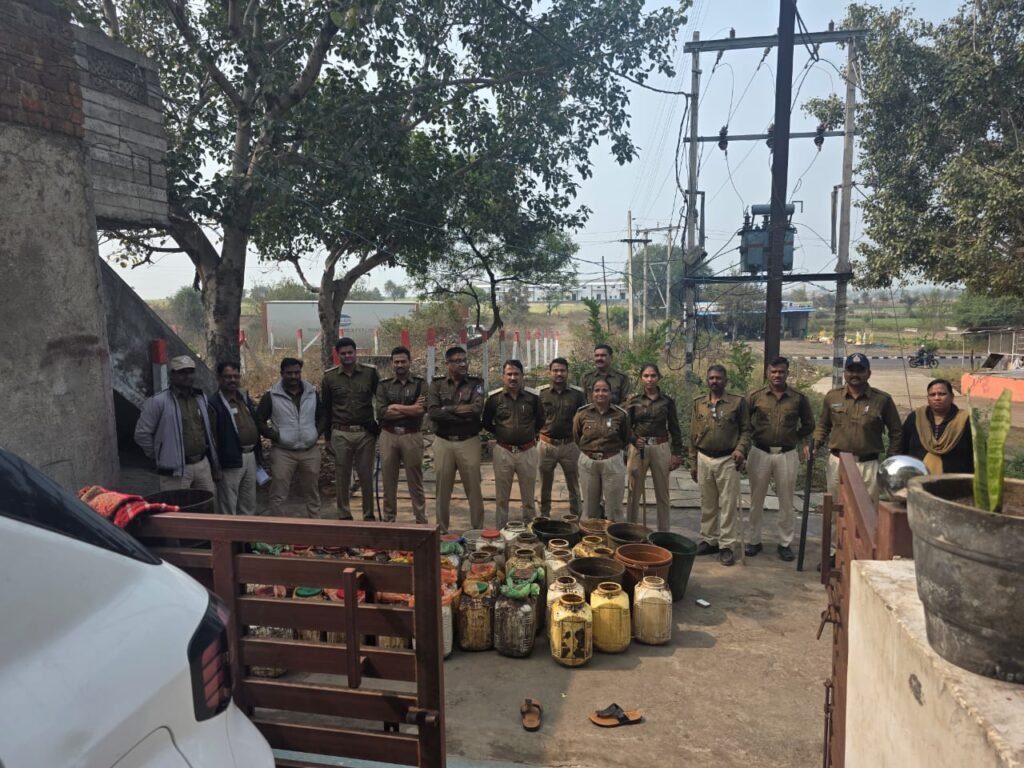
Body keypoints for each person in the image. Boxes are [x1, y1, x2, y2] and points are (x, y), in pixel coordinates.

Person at [813, 353, 902, 561]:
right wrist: (815, 444)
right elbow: (823, 425)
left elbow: (896, 432)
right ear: (845, 373)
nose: (855, 375)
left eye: (860, 370)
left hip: (868, 464)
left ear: (868, 373)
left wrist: (890, 460)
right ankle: (835, 553)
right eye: (851, 370)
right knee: (836, 509)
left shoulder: (882, 400)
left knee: (867, 511)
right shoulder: (832, 397)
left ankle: (863, 556)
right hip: (838, 463)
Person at [745, 356, 816, 562]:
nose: (777, 375)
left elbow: (809, 424)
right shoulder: (756, 396)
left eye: (781, 372)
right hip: (760, 452)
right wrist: (752, 436)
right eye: (774, 371)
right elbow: (743, 421)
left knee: (786, 500)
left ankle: (785, 543)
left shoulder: (798, 398)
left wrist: (795, 438)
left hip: (786, 454)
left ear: (787, 373)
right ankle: (754, 540)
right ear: (768, 372)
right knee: (756, 499)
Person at [689, 364, 751, 567]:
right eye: (711, 378)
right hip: (704, 458)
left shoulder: (737, 402)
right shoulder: (699, 403)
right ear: (707, 380)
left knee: (727, 504)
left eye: (718, 378)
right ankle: (709, 539)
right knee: (707, 502)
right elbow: (693, 434)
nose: (714, 381)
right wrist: (693, 462)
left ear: (725, 380)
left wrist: (741, 449)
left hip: (727, 459)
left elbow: (746, 430)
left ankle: (726, 545)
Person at [134, 355, 220, 495]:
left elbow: (206, 430)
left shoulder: (200, 397)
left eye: (190, 372)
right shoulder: (158, 401)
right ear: (172, 375)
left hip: (202, 464)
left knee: (207, 504)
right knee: (178, 506)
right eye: (182, 372)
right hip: (175, 470)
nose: (187, 376)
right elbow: (141, 434)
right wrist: (159, 454)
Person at [427, 346, 485, 532]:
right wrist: (461, 415)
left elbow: (476, 409)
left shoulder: (476, 383)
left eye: (464, 360)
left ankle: (477, 530)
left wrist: (448, 409)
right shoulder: (437, 384)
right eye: (458, 361)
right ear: (448, 364)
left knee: (474, 489)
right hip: (443, 442)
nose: (463, 364)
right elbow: (433, 412)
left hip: (468, 441)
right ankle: (442, 531)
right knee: (442, 490)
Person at [256, 357, 323, 518]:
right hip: (283, 452)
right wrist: (276, 436)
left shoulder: (312, 393)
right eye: (289, 373)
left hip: (309, 451)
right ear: (282, 373)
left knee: (312, 492)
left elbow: (323, 416)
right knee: (279, 494)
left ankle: (317, 526)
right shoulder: (271, 396)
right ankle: (280, 529)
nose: (293, 376)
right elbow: (259, 420)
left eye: (297, 373)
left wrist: (316, 433)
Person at [321, 337, 379, 521]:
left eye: (350, 352)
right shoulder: (329, 377)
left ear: (356, 352)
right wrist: (327, 437)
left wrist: (378, 426)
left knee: (366, 476)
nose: (347, 356)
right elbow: (326, 408)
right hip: (341, 432)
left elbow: (380, 399)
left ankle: (368, 515)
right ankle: (344, 514)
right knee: (342, 476)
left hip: (365, 433)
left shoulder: (370, 373)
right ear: (338, 355)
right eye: (343, 353)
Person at [483, 359, 545, 528]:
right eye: (509, 374)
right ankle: (501, 529)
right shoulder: (495, 399)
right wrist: (502, 433)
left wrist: (528, 434)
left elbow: (540, 420)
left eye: (516, 374)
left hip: (527, 451)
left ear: (522, 376)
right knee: (502, 497)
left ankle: (530, 529)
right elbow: (487, 422)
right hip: (504, 452)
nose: (513, 378)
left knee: (529, 498)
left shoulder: (532, 398)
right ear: (503, 376)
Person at [624, 363, 683, 531]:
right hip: (639, 448)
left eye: (653, 376)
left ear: (658, 377)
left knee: (662, 492)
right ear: (641, 378)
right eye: (646, 376)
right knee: (633, 491)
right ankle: (630, 530)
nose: (650, 379)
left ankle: (663, 532)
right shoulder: (634, 400)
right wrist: (634, 439)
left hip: (660, 446)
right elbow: (626, 426)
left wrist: (676, 453)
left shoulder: (667, 401)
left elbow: (674, 428)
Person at [375, 346, 427, 523]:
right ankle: (389, 520)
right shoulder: (384, 385)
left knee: (415, 481)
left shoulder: (420, 383)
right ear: (391, 363)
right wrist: (410, 409)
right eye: (396, 362)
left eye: (403, 361)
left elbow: (420, 411)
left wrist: (395, 407)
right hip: (388, 436)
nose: (400, 365)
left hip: (412, 435)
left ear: (409, 362)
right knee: (388, 482)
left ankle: (420, 520)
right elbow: (382, 413)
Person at [573, 378, 631, 521]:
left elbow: (626, 438)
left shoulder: (620, 414)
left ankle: (613, 533)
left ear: (610, 393)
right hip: (588, 462)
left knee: (614, 508)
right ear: (591, 393)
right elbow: (577, 436)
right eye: (597, 390)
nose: (601, 393)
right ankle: (590, 534)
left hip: (612, 462)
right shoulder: (582, 413)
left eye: (605, 390)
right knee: (589, 508)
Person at [210, 361, 263, 516]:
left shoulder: (244, 398)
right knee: (228, 503)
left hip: (250, 456)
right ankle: (229, 532)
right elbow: (211, 438)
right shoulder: (214, 403)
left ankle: (247, 532)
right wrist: (216, 466)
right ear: (219, 378)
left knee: (248, 502)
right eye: (227, 377)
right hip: (230, 459)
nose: (232, 380)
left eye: (235, 376)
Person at [537, 357, 586, 518]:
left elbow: (584, 419)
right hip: (546, 445)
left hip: (570, 445)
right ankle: (544, 517)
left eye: (562, 370)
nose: (559, 374)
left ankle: (575, 518)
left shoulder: (577, 395)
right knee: (544, 485)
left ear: (567, 373)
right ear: (549, 373)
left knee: (574, 485)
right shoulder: (541, 394)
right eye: (555, 370)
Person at [898, 379, 973, 474]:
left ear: (952, 397)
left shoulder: (964, 420)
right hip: (918, 477)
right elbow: (902, 447)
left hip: (955, 479)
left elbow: (975, 454)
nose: (937, 398)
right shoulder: (916, 418)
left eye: (942, 394)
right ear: (928, 398)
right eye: (932, 395)